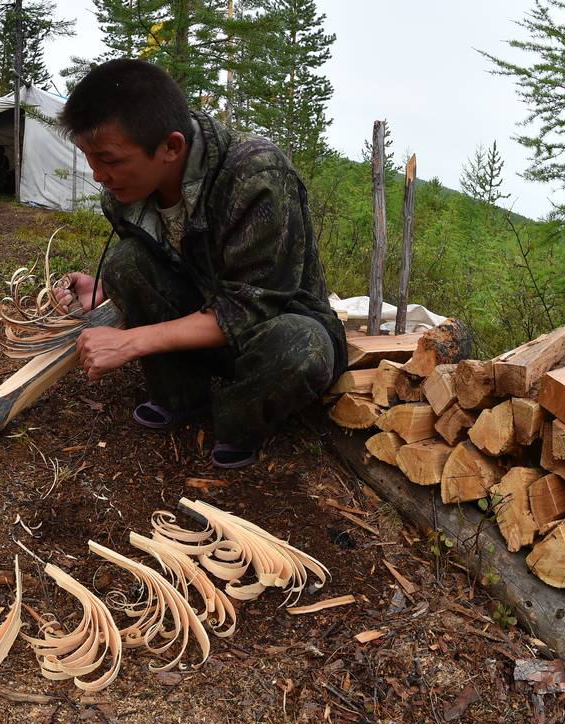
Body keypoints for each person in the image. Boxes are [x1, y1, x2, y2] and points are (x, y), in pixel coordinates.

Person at [55, 59, 347, 469]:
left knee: (303, 347)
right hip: (201, 321)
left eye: (110, 159)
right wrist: (102, 287)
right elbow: (159, 265)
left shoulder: (255, 175)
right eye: (89, 157)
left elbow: (250, 307)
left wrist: (132, 341)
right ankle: (181, 397)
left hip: (270, 330)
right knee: (124, 262)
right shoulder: (124, 194)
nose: (98, 174)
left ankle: (238, 420)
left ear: (171, 147)